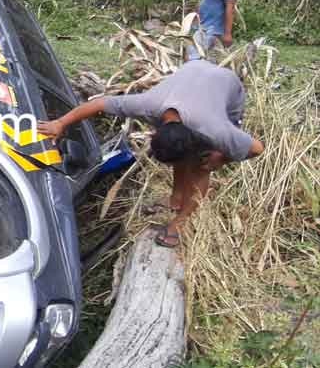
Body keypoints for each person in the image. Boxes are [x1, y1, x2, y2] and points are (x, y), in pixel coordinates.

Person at [38, 59, 265, 248]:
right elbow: (99, 104)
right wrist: (59, 123)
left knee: (201, 164)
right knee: (182, 154)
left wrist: (221, 158)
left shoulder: (215, 129)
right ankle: (176, 199)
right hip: (194, 70)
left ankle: (180, 222)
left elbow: (257, 148)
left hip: (226, 85)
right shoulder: (147, 104)